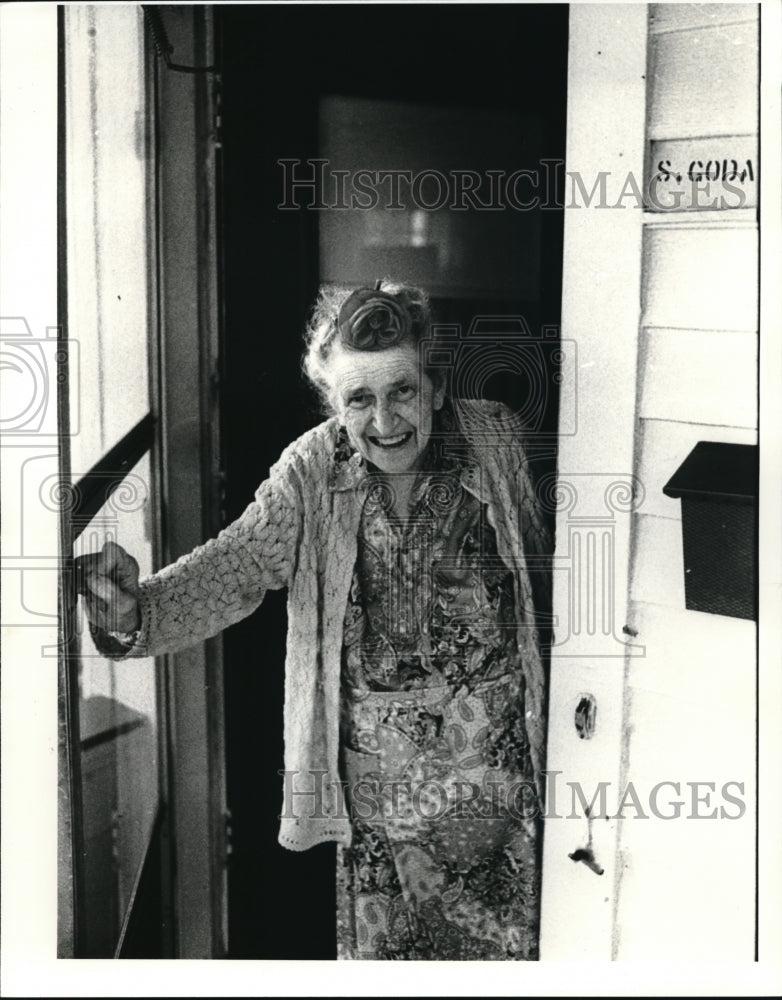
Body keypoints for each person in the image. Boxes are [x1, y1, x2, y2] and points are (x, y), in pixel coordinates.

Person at [77, 280, 552, 960]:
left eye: (403, 391)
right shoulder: (311, 471)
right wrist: (139, 610)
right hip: (382, 806)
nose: (384, 419)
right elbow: (235, 565)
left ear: (437, 387)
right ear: (334, 403)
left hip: (504, 794)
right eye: (359, 398)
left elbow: (549, 566)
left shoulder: (495, 438)